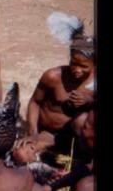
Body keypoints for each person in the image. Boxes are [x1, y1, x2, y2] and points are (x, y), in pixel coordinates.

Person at [24, 26, 95, 160]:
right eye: (73, 63)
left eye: (84, 66)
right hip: (49, 135)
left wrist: (89, 101)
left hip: (77, 137)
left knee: (82, 121)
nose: (77, 70)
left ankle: (83, 162)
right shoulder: (53, 77)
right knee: (22, 154)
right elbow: (35, 102)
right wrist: (32, 132)